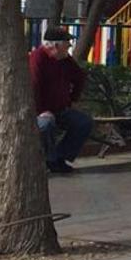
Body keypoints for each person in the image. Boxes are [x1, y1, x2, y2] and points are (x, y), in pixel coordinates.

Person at [29, 26, 92, 174]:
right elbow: (33, 87)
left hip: (60, 109)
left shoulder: (65, 59)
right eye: (67, 43)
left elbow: (79, 77)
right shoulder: (38, 58)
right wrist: (40, 111)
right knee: (45, 124)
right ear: (56, 46)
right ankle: (49, 160)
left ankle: (60, 156)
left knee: (84, 122)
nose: (70, 46)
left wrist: (72, 99)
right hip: (40, 112)